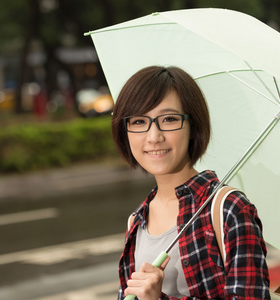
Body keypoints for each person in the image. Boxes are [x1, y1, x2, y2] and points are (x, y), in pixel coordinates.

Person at [111, 66, 270, 300]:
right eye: (138, 121)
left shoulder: (228, 209)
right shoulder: (136, 221)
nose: (154, 137)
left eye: (169, 119)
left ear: (193, 126)